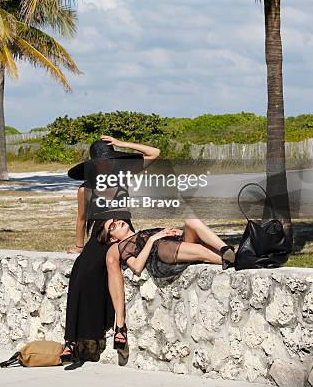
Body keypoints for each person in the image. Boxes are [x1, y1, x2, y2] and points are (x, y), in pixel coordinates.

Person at [61, 136, 160, 362]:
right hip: (101, 234)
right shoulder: (85, 188)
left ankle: (119, 327)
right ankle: (71, 341)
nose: (105, 166)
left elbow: (154, 152)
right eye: (101, 162)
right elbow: (81, 219)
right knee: (80, 272)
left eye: (109, 161)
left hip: (124, 231)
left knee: (112, 262)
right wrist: (79, 246)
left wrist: (122, 144)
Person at [98, 217, 236, 348]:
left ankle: (226, 249)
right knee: (202, 251)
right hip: (164, 249)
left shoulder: (141, 232)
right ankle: (238, 258)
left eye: (116, 220)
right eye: (112, 226)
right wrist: (152, 239)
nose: (118, 222)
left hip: (175, 241)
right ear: (113, 238)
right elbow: (137, 266)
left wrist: (176, 232)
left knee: (191, 220)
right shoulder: (123, 246)